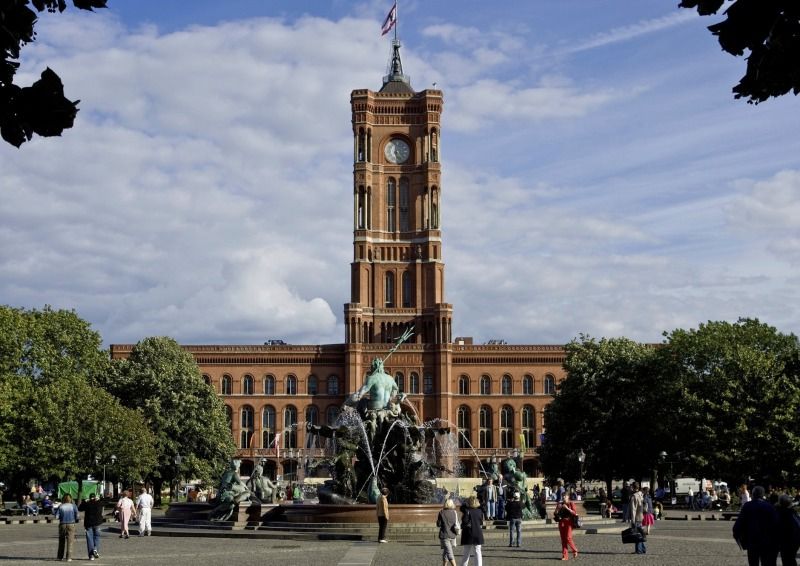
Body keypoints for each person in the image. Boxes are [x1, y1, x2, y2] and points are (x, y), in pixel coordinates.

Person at [733, 485, 779, 566]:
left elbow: (737, 526)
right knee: (766, 562)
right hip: (767, 542)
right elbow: (776, 525)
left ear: (753, 495)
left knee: (753, 563)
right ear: (762, 495)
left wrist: (741, 542)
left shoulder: (747, 506)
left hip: (752, 541)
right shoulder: (769, 506)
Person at [459, 495, 484, 566]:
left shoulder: (467, 511)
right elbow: (481, 522)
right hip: (478, 532)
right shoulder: (480, 511)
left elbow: (465, 521)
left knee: (466, 552)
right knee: (478, 551)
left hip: (468, 533)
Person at [79, 492, 104, 561]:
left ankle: (91, 556)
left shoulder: (87, 503)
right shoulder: (99, 503)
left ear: (90, 497)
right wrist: (100, 499)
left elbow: (80, 508)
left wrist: (84, 501)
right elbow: (105, 502)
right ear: (95, 497)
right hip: (97, 523)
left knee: (89, 539)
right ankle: (95, 549)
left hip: (88, 523)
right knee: (97, 538)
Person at [776, 493, 800, 566]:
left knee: (787, 560)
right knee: (791, 559)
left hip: (786, 542)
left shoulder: (780, 513)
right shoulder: (793, 512)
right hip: (794, 541)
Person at [55, 493, 79, 562]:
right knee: (70, 541)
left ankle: (60, 557)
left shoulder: (61, 506)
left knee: (61, 541)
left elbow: (56, 517)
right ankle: (68, 557)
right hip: (71, 524)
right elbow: (77, 515)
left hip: (62, 524)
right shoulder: (73, 506)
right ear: (71, 499)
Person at [555, 491, 578, 561]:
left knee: (568, 537)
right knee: (563, 540)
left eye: (565, 496)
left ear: (568, 497)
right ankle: (565, 556)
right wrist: (557, 509)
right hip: (561, 522)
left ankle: (575, 550)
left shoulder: (571, 503)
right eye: (563, 496)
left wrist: (567, 508)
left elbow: (574, 513)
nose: (563, 497)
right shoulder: (560, 504)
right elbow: (555, 513)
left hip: (569, 522)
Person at [436, 498, 459, 566]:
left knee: (449, 553)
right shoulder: (454, 512)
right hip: (452, 534)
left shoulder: (441, 512)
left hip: (445, 534)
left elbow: (438, 524)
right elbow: (456, 523)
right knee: (447, 551)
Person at [629, 482, 646, 555]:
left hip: (636, 517)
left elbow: (633, 509)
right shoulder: (641, 494)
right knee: (640, 533)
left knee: (637, 534)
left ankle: (638, 550)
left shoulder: (634, 496)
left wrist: (632, 521)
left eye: (631, 487)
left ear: (633, 487)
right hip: (641, 516)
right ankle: (643, 549)